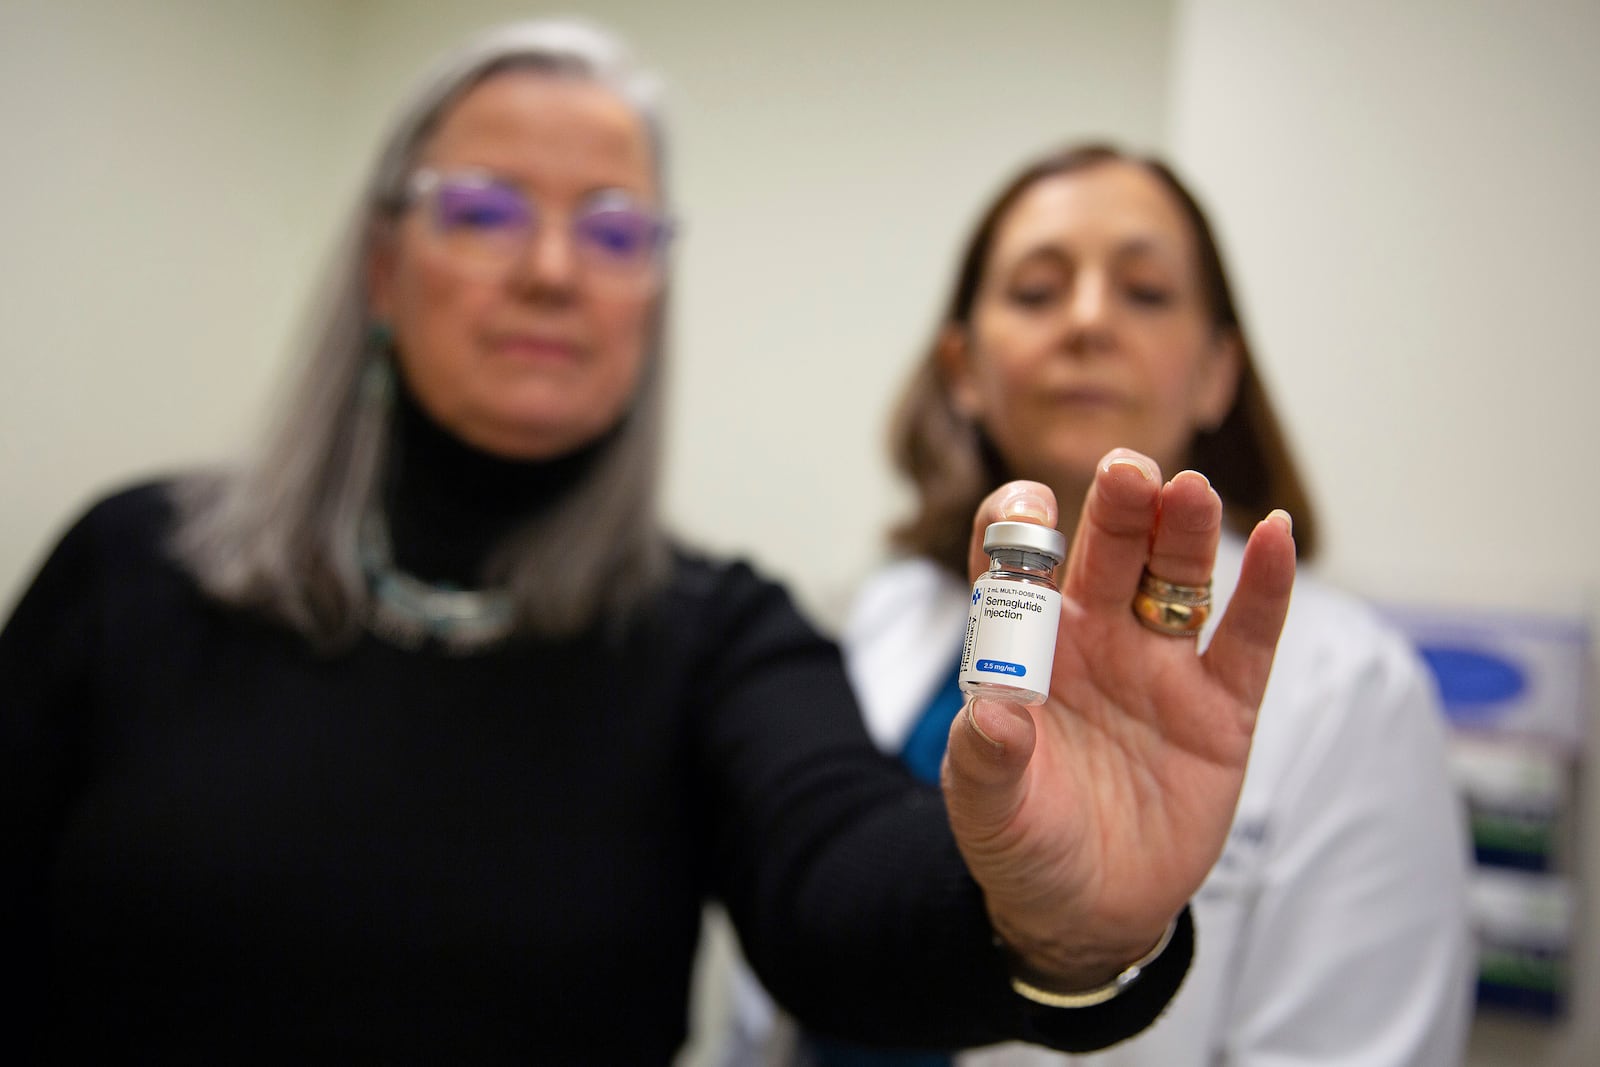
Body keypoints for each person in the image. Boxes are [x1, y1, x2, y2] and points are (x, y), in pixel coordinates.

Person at [0, 22, 1298, 1064]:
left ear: (651, 298)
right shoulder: (132, 567)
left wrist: (1051, 918)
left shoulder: (718, 633)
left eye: (616, 229)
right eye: (489, 210)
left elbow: (842, 890)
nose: (557, 269)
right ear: (383, 269)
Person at [742, 143, 1473, 1066]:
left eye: (1146, 292)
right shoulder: (882, 616)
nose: (1088, 321)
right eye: (1038, 291)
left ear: (1218, 370)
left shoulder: (1350, 686)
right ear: (963, 367)